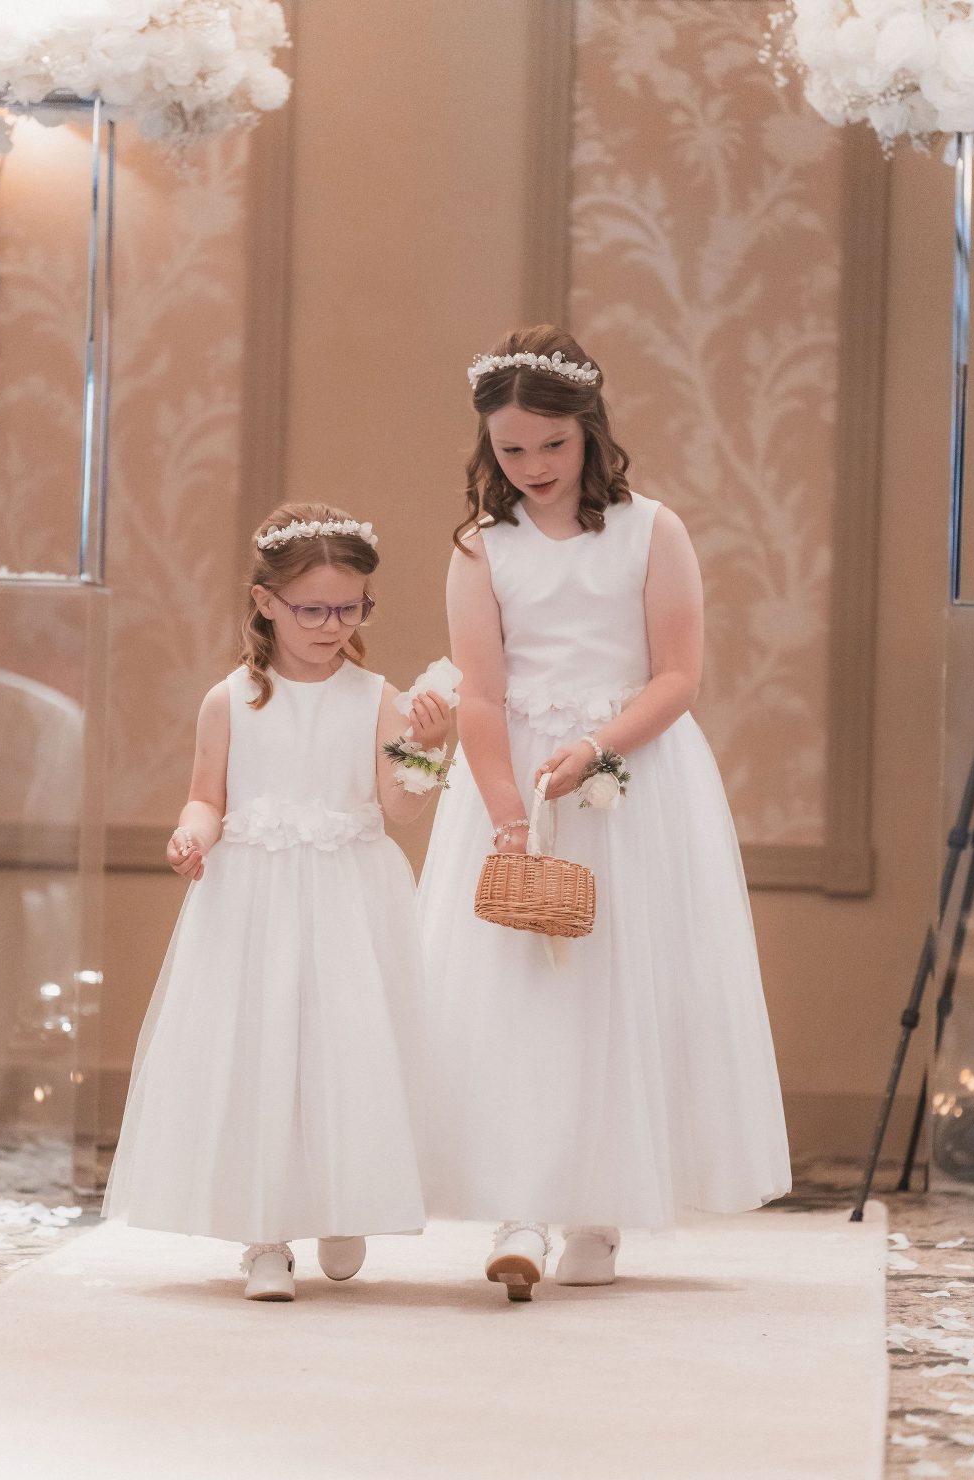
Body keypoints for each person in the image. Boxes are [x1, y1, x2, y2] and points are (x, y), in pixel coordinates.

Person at [414, 325, 792, 1301]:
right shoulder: (479, 550)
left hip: (630, 779)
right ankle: (517, 1208)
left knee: (615, 990)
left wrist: (597, 747)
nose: (533, 467)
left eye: (552, 445)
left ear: (589, 431)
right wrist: (505, 810)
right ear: (486, 449)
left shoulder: (650, 531)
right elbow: (483, 695)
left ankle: (599, 1212)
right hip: (516, 789)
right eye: (512, 451)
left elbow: (677, 674)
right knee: (516, 992)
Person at [102, 504, 451, 1301]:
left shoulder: (378, 698)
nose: (333, 625)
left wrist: (427, 750)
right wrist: (191, 838)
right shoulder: (231, 699)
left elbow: (398, 810)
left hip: (347, 898)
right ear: (266, 602)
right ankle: (263, 1236)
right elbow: (205, 798)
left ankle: (344, 1197)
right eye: (313, 609)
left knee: (346, 1050)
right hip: (253, 897)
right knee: (258, 1052)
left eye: (350, 607)